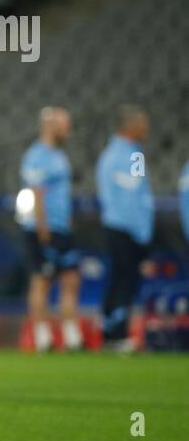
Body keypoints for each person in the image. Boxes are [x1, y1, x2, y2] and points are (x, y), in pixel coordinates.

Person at [19, 107, 83, 351]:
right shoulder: (37, 156)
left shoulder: (58, 155)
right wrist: (42, 230)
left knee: (71, 279)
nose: (68, 130)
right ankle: (42, 336)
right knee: (42, 281)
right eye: (64, 125)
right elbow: (36, 194)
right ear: (51, 125)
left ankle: (71, 336)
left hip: (61, 228)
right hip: (42, 229)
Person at [96, 105, 154, 351]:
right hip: (129, 228)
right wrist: (144, 233)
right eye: (143, 124)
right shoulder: (133, 156)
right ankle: (116, 335)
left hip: (114, 224)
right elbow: (138, 195)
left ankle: (110, 332)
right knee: (126, 281)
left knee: (118, 280)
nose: (146, 129)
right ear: (130, 127)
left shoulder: (108, 155)